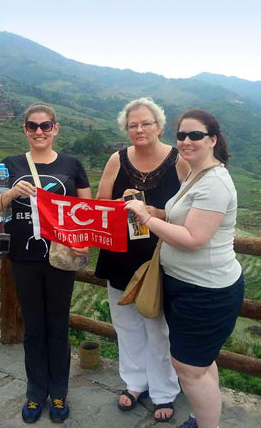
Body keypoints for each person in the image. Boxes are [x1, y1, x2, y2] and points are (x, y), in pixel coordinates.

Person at [124, 109, 244, 428]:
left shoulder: (215, 182)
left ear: (213, 140)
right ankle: (203, 419)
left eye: (195, 135)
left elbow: (194, 238)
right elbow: (183, 217)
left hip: (205, 291)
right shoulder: (195, 173)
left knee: (188, 368)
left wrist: (146, 220)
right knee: (200, 365)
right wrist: (157, 212)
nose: (187, 141)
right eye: (181, 136)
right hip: (186, 285)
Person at [0, 103, 91, 424]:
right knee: (33, 327)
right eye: (32, 126)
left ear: (55, 129)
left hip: (61, 257)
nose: (39, 131)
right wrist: (11, 192)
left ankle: (58, 392)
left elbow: (85, 211)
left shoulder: (72, 165)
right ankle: (35, 392)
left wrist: (84, 243)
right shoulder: (9, 165)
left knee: (58, 325)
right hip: (24, 257)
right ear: (24, 130)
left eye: (45, 126)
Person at [95, 98, 189, 422]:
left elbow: (190, 211)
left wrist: (154, 213)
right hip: (120, 254)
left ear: (159, 127)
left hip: (161, 257)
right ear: (126, 129)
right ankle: (134, 383)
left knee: (158, 327)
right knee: (126, 324)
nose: (139, 129)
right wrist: (117, 206)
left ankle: (164, 390)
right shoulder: (116, 160)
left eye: (146, 123)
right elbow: (99, 205)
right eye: (133, 125)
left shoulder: (179, 161)